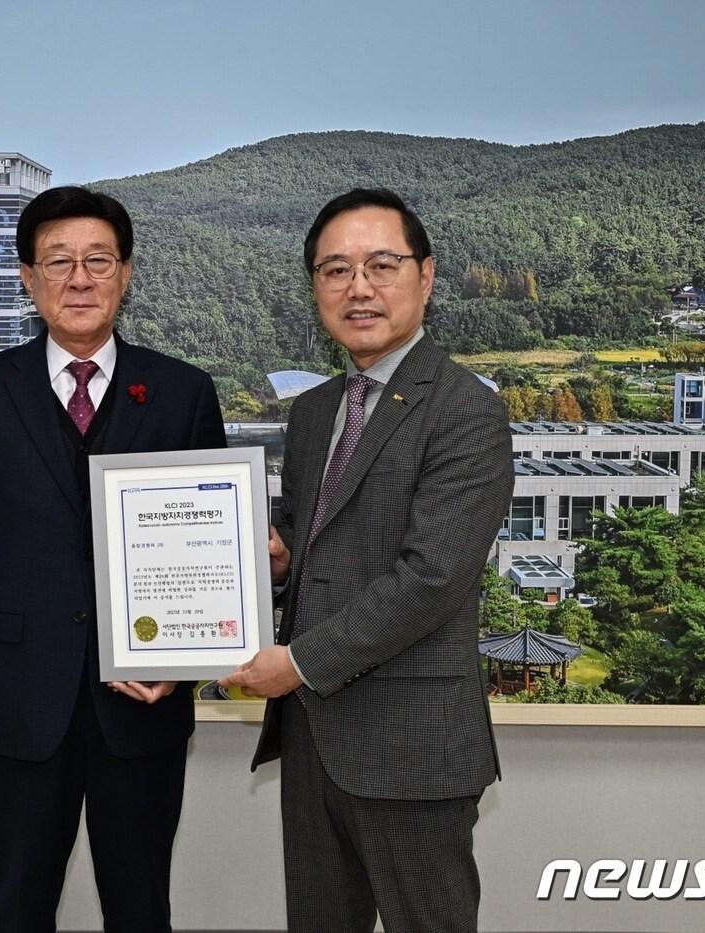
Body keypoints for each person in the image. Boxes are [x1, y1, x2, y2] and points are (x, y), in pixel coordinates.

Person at [0, 185, 226, 933]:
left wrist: (182, 663)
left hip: (142, 706)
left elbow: (210, 553)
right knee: (18, 906)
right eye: (59, 261)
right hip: (20, 702)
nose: (80, 278)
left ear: (126, 273)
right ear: (28, 277)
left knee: (141, 908)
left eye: (98, 260)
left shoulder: (183, 392)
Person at [220, 188, 514, 933]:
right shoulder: (315, 411)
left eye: (382, 264)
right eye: (335, 270)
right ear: (314, 286)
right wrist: (278, 558)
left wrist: (296, 663)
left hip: (413, 747)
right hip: (315, 745)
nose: (359, 287)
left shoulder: (465, 409)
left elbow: (431, 579)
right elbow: (311, 545)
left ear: (427, 275)